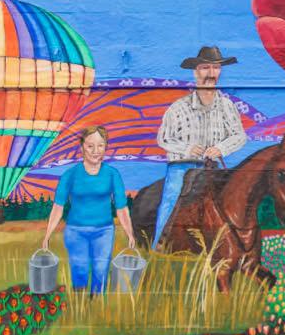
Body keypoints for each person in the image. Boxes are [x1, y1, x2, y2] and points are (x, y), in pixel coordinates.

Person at [153, 46, 247, 249]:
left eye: (215, 68)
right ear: (195, 72)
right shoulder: (179, 107)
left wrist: (221, 148)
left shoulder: (227, 106)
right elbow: (163, 138)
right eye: (205, 68)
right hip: (182, 167)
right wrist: (187, 148)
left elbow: (240, 136)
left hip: (211, 167)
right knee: (171, 200)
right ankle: (158, 247)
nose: (211, 74)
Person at [40, 127, 137, 294]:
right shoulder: (70, 175)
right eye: (90, 146)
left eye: (100, 145)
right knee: (80, 271)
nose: (95, 151)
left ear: (106, 147)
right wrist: (47, 235)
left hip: (104, 232)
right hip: (75, 231)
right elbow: (58, 207)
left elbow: (121, 208)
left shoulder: (112, 174)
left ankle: (96, 306)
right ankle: (80, 307)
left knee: (101, 271)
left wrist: (130, 233)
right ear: (82, 147)